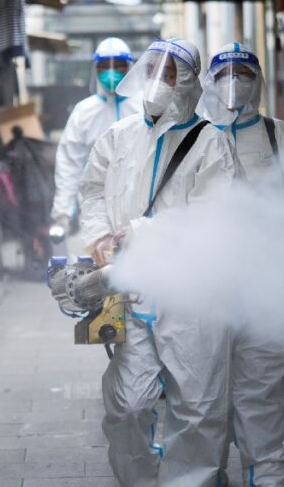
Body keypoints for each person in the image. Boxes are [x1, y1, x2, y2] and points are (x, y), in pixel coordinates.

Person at [78, 38, 236, 487]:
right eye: (151, 71)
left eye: (169, 74)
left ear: (187, 83)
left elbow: (215, 214)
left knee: (198, 406)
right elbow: (91, 189)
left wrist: (148, 232)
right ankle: (139, 479)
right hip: (133, 289)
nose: (157, 82)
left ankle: (194, 481)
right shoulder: (119, 136)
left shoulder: (210, 144)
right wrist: (97, 235)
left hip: (193, 296)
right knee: (127, 402)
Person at [198, 42, 284, 487]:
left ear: (258, 81)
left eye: (244, 74)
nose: (234, 83)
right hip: (205, 294)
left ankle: (266, 478)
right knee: (204, 401)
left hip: (267, 294)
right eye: (224, 75)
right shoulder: (194, 138)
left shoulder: (281, 137)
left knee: (261, 400)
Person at [51, 37, 140, 236]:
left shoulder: (145, 107)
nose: (111, 73)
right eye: (103, 67)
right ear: (94, 70)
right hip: (97, 208)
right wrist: (62, 213)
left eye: (118, 66)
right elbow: (69, 164)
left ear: (130, 67)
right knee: (99, 261)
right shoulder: (83, 112)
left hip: (140, 205)